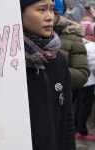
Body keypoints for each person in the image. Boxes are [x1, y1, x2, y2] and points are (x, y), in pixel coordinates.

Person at [20, 0, 76, 149]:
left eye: (51, 9)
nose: (50, 16)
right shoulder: (6, 65)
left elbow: (66, 119)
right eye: (41, 9)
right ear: (18, 13)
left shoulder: (58, 60)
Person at [53, 0, 89, 92]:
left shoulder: (73, 36)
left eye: (51, 11)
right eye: (41, 10)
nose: (47, 17)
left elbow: (82, 75)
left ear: (58, 14)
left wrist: (53, 71)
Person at [74, 20, 95, 140]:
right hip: (89, 81)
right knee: (85, 107)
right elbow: (93, 67)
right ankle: (82, 131)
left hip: (79, 80)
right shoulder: (92, 47)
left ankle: (75, 128)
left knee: (78, 105)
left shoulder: (78, 42)